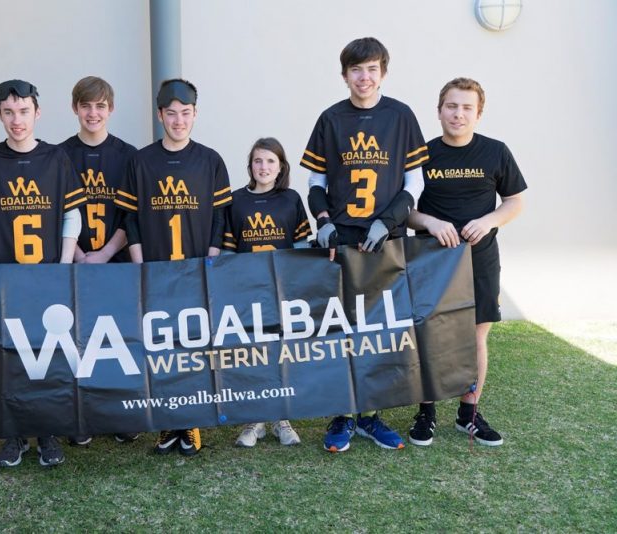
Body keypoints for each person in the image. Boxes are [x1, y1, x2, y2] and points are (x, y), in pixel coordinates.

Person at [300, 37, 428, 452]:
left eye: (372, 69)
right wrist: (322, 221)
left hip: (384, 239)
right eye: (356, 69)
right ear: (344, 75)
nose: (364, 77)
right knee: (340, 328)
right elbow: (315, 182)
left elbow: (415, 183)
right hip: (340, 240)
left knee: (379, 330)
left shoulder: (401, 116)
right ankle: (342, 413)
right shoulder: (330, 118)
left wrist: (386, 221)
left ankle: (370, 415)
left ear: (383, 73)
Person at [0, 80, 85, 467]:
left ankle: (47, 432)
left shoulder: (56, 158)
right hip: (5, 276)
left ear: (37, 112)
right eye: (8, 112)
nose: (16, 120)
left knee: (47, 356)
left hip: (47, 275)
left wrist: (64, 267)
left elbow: (72, 213)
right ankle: (15, 433)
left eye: (23, 111)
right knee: (11, 357)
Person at [407, 77, 526, 447]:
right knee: (430, 333)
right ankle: (425, 413)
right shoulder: (420, 154)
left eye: (466, 108)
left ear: (479, 113)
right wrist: (431, 222)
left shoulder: (495, 151)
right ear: (439, 110)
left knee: (476, 335)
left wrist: (489, 220)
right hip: (432, 259)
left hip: (481, 258)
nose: (458, 114)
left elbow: (515, 200)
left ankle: (468, 413)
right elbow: (405, 210)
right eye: (451, 106)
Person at [115, 78, 232, 456]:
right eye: (171, 113)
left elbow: (219, 217)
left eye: (185, 113)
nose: (178, 120)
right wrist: (140, 264)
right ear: (159, 115)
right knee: (160, 347)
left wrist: (211, 258)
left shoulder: (210, 160)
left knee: (195, 347)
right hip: (156, 269)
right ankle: (167, 423)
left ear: (195, 114)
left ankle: (191, 421)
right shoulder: (141, 161)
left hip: (195, 269)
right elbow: (130, 218)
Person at [58, 76, 140, 446]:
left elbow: (132, 216)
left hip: (116, 260)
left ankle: (118, 414)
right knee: (77, 340)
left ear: (111, 109)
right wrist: (79, 255)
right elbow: (55, 213)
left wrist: (106, 253)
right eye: (86, 105)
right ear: (75, 108)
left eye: (100, 106)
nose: (93, 113)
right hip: (75, 262)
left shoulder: (129, 155)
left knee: (117, 339)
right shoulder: (58, 155)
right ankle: (81, 417)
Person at [223, 138, 311, 447]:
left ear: (281, 167)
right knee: (254, 353)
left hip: (281, 290)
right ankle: (254, 420)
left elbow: (301, 247)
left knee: (280, 354)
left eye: (270, 161)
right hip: (247, 291)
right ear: (250, 166)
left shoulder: (291, 199)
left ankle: (281, 418)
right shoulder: (235, 200)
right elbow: (227, 253)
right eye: (258, 161)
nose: (264, 167)